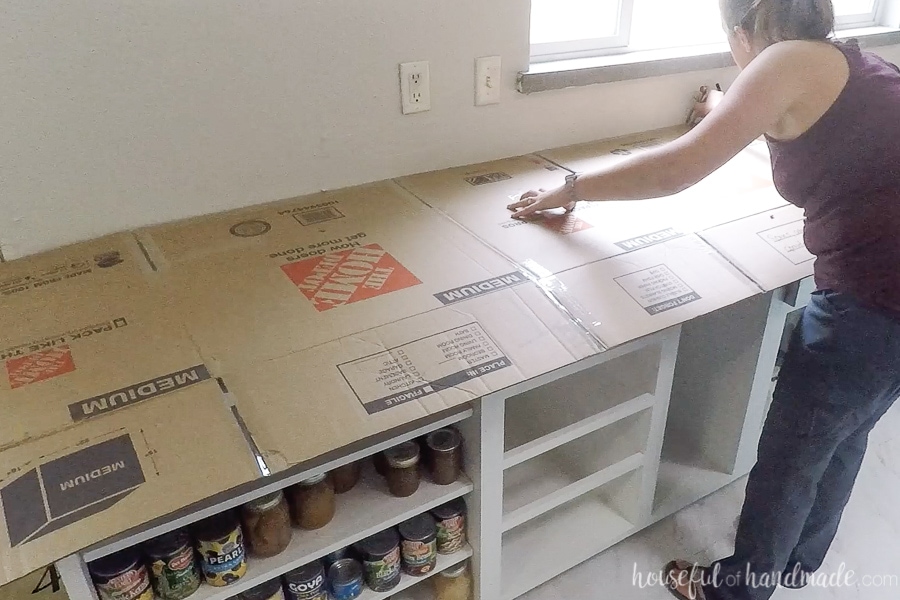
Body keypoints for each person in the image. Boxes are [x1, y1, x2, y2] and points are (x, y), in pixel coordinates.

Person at [508, 0, 900, 598]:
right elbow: (776, 122)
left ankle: (737, 589)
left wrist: (573, 188)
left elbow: (676, 170)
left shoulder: (781, 63)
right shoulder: (845, 64)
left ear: (745, 32)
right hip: (889, 300)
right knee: (847, 428)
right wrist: (719, 110)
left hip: (874, 302)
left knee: (793, 453)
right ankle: (801, 559)